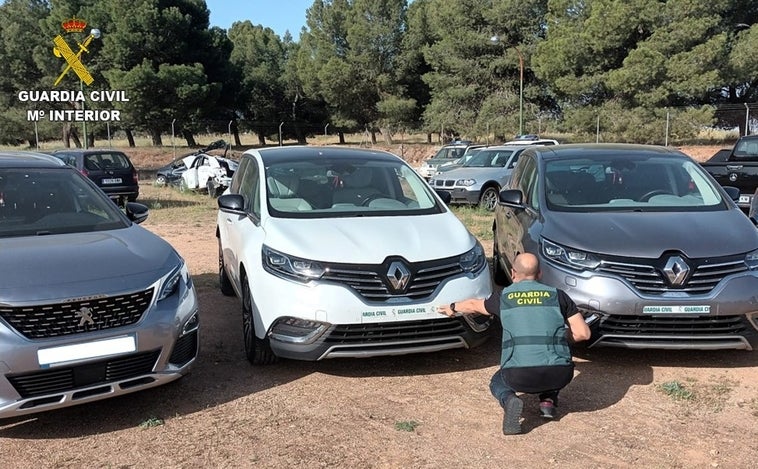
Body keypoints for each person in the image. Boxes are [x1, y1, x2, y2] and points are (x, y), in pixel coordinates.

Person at [438, 252, 591, 435]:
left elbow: (472, 305)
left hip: (518, 376)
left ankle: (509, 400)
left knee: (497, 381)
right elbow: (583, 333)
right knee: (554, 359)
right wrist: (559, 338)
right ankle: (547, 402)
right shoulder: (558, 296)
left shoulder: (504, 297)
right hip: (559, 375)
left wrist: (452, 308)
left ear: (513, 273)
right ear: (540, 273)